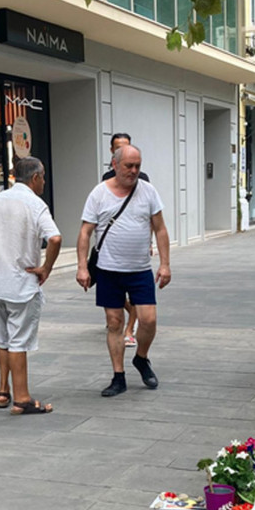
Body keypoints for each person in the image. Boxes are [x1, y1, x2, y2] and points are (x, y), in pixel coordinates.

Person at [0, 156, 61, 414]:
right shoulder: (35, 205)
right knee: (18, 341)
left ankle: (3, 391)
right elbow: (56, 238)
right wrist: (46, 269)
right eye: (44, 177)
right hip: (21, 284)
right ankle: (22, 398)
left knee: (4, 338)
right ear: (36, 177)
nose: (45, 182)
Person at [77, 143, 170, 396]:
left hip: (139, 269)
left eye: (138, 166)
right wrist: (82, 266)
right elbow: (85, 231)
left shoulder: (148, 191)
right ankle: (118, 376)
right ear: (115, 164)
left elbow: (160, 228)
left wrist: (164, 264)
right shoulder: (98, 194)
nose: (134, 170)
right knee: (114, 322)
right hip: (108, 270)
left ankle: (141, 358)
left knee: (149, 320)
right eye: (129, 165)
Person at [100, 133, 150, 347]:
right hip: (110, 257)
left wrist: (148, 242)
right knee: (116, 303)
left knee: (142, 305)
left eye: (127, 146)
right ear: (113, 153)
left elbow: (149, 216)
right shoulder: (104, 181)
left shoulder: (143, 180)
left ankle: (130, 328)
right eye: (119, 147)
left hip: (136, 258)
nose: (133, 170)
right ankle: (121, 325)